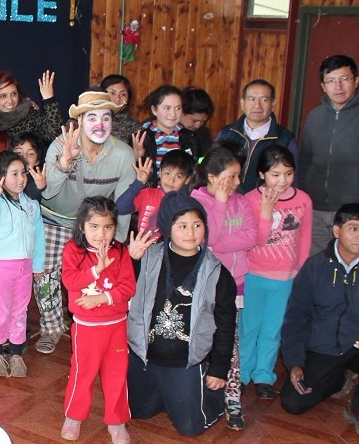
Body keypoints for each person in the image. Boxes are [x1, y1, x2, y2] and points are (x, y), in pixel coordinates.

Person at [127, 191, 237, 437]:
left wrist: (219, 368)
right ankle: (170, 395)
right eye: (183, 225)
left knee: (190, 428)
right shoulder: (148, 255)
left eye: (197, 225)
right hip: (144, 356)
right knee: (136, 411)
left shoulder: (216, 273)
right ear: (168, 227)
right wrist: (133, 259)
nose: (191, 232)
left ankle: (213, 398)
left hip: (184, 361)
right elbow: (123, 285)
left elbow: (226, 325)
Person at [38, 91, 135, 355]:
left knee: (97, 274)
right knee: (46, 275)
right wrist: (65, 162)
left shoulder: (124, 155)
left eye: (106, 117)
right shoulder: (60, 145)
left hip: (97, 226)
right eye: (91, 117)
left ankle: (88, 318)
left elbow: (125, 203)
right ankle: (51, 328)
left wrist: (119, 242)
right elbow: (47, 192)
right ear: (80, 121)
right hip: (55, 219)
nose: (99, 124)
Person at [280, 203, 359, 440]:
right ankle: (338, 378)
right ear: (337, 231)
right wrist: (295, 361)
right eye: (354, 228)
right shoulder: (315, 266)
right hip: (325, 346)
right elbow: (296, 317)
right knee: (293, 403)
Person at [190, 144, 257, 430]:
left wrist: (221, 244)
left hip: (237, 284)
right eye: (232, 176)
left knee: (232, 342)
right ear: (214, 177)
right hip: (207, 284)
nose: (237, 183)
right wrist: (218, 203)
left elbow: (252, 236)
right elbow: (208, 240)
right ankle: (199, 394)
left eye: (238, 176)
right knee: (201, 338)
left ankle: (232, 398)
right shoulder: (196, 202)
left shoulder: (241, 202)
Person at [60, 196, 136, 444]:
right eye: (94, 226)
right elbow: (70, 281)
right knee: (82, 373)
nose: (101, 233)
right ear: (82, 226)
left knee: (116, 374)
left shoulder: (121, 251)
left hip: (116, 326)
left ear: (115, 227)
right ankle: (74, 416)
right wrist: (96, 270)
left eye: (108, 226)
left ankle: (117, 421)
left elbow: (128, 287)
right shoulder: (73, 250)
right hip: (86, 327)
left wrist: (102, 298)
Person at [297, 55, 359, 255]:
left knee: (353, 273)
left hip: (355, 215)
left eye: (344, 79)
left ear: (356, 80)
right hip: (316, 213)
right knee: (317, 269)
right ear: (323, 85)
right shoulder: (315, 117)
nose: (338, 86)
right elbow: (304, 164)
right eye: (331, 81)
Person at [241, 145, 311, 400]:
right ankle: (242, 373)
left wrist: (299, 272)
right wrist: (266, 213)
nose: (282, 181)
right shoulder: (249, 200)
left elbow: (304, 238)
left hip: (285, 278)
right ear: (262, 174)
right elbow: (255, 241)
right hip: (253, 275)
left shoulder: (303, 200)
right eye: (275, 174)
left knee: (273, 329)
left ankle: (263, 375)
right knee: (248, 327)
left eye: (288, 174)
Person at [0, 151, 44, 378]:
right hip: (1, 267)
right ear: (0, 177)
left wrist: (38, 265)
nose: (21, 178)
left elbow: (38, 236)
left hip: (25, 266)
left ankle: (15, 354)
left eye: (23, 173)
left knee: (20, 311)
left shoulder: (31, 205)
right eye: (14, 174)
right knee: (0, 311)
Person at [214, 79, 298, 193]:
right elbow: (212, 167)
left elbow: (293, 179)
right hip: (228, 199)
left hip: (265, 202)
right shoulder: (226, 133)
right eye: (251, 99)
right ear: (242, 103)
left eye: (264, 99)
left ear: (273, 104)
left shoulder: (285, 139)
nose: (257, 105)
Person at [116, 149, 195, 241]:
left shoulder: (186, 205)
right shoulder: (148, 194)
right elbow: (120, 208)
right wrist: (138, 183)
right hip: (141, 249)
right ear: (160, 172)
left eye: (178, 176)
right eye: (167, 173)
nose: (171, 180)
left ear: (187, 180)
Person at [0, 69, 62, 157]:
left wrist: (49, 99)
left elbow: (56, 136)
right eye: (3, 96)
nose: (10, 101)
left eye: (13, 94)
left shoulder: (29, 116)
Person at [136, 84, 200, 187]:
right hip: (150, 194)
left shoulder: (190, 137)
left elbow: (195, 170)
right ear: (154, 110)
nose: (173, 114)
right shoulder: (143, 137)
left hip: (179, 196)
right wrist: (137, 156)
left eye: (178, 108)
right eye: (167, 108)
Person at [99, 74, 142, 145]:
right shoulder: (89, 122)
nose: (117, 98)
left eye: (123, 94)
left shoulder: (135, 130)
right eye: (112, 93)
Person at [179, 87, 215, 155]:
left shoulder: (204, 133)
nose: (198, 125)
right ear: (181, 112)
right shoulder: (170, 133)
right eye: (194, 120)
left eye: (203, 122)